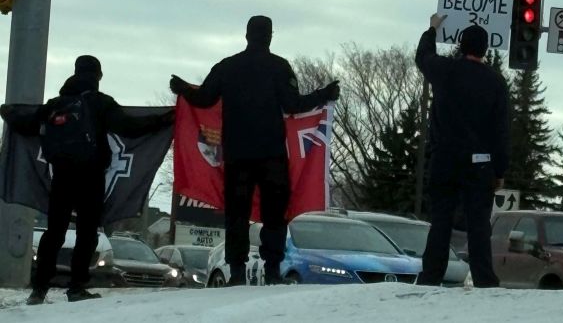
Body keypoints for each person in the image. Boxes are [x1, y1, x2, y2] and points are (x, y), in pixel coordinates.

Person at [169, 15, 339, 286]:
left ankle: (236, 272)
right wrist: (324, 94)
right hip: (271, 153)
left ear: (247, 35)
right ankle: (272, 270)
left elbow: (204, 99)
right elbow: (293, 104)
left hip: (237, 155)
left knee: (236, 214)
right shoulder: (279, 67)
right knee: (275, 214)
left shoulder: (228, 66)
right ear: (270, 36)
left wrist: (183, 89)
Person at [0, 55, 174, 305]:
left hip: (60, 176)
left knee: (54, 232)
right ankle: (76, 287)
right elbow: (129, 127)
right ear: (98, 77)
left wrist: (8, 111)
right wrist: (165, 119)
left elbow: (26, 123)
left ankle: (39, 289)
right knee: (87, 232)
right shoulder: (100, 103)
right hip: (91, 177)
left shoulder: (56, 104)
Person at [415, 13, 509, 287]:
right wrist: (499, 170)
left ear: (460, 45)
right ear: (485, 50)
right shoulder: (495, 82)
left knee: (441, 220)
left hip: (444, 159)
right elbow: (501, 130)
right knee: (479, 223)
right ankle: (484, 279)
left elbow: (423, 57)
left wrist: (432, 29)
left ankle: (431, 275)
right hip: (480, 163)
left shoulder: (446, 71)